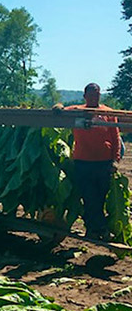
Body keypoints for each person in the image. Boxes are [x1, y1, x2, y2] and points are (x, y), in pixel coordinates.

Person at [65, 83, 121, 240]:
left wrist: (115, 160)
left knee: (100, 197)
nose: (94, 98)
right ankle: (102, 229)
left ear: (99, 95)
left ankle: (92, 230)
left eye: (96, 95)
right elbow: (61, 111)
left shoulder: (108, 113)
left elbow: (115, 138)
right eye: (90, 95)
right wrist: (59, 106)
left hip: (104, 162)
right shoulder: (78, 111)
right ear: (85, 97)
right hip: (83, 162)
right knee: (89, 197)